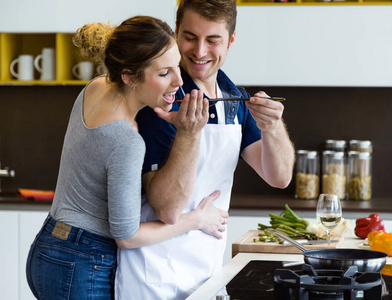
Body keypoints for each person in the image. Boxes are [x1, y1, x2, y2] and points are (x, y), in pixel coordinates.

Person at [25, 16, 229, 300]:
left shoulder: (95, 87)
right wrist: (197, 219)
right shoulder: (127, 140)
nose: (178, 81)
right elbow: (128, 236)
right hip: (82, 262)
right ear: (129, 76)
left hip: (47, 247)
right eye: (163, 74)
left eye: (176, 67)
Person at [115, 1, 296, 299]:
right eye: (189, 37)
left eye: (213, 40)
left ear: (231, 40)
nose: (199, 52)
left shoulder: (233, 96)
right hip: (152, 277)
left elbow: (279, 177)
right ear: (175, 33)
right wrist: (188, 133)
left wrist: (273, 127)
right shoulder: (162, 96)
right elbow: (167, 208)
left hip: (206, 274)